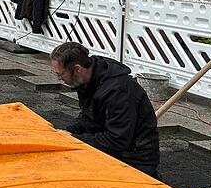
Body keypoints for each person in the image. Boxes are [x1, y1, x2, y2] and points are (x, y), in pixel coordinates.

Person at [50, 42, 159, 177]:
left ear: (77, 69)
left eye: (61, 74)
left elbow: (117, 140)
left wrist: (75, 139)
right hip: (113, 148)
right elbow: (88, 118)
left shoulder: (119, 91)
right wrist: (64, 133)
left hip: (135, 159)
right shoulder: (87, 80)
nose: (60, 79)